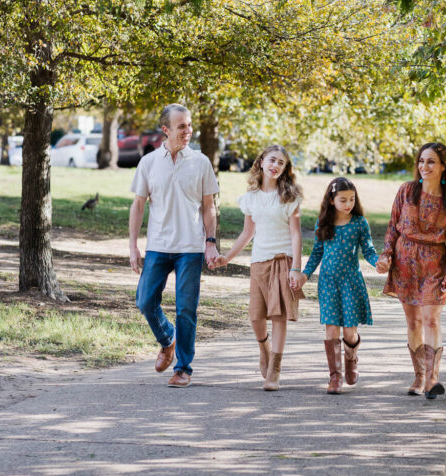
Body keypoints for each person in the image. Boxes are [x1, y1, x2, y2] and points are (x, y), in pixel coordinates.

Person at [129, 103, 220, 388]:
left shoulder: (201, 162)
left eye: (189, 125)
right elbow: (138, 205)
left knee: (186, 309)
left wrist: (211, 242)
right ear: (166, 130)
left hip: (190, 248)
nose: (188, 131)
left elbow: (209, 206)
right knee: (144, 300)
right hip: (158, 245)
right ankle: (167, 339)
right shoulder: (149, 162)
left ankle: (183, 368)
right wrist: (133, 245)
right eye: (181, 126)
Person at [211, 144, 304, 391]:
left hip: (283, 260)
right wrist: (227, 257)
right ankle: (264, 346)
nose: (275, 166)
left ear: (284, 170)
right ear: (262, 161)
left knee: (278, 316)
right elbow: (247, 232)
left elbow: (296, 235)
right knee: (256, 316)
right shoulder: (250, 198)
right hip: (259, 262)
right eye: (272, 160)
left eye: (281, 163)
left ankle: (275, 367)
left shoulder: (289, 197)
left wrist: (297, 267)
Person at [376, 142, 446, 399]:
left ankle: (433, 379)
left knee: (431, 319)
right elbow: (392, 227)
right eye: (421, 161)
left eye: (431, 162)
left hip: (435, 263)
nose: (424, 166)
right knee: (413, 321)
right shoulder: (406, 191)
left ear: (444, 166)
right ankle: (419, 376)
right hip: (405, 263)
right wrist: (386, 255)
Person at [300, 177, 380, 394]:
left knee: (349, 331)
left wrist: (378, 263)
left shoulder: (359, 223)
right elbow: (317, 253)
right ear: (331, 200)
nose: (348, 204)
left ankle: (351, 359)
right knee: (331, 327)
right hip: (328, 282)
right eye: (343, 200)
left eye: (352, 199)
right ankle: (335, 377)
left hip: (351, 282)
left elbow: (369, 250)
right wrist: (305, 275)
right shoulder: (323, 223)